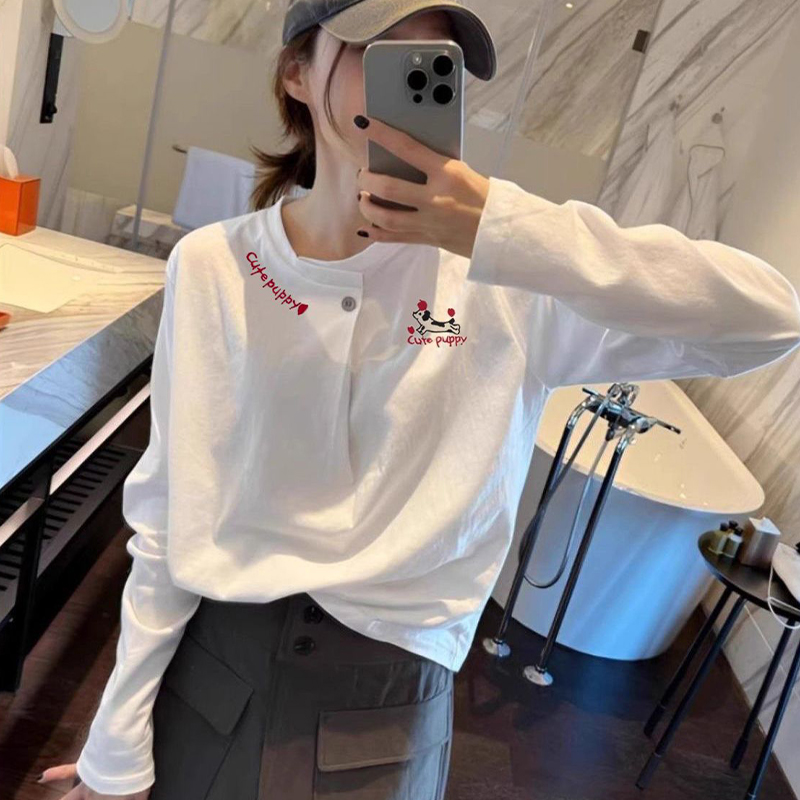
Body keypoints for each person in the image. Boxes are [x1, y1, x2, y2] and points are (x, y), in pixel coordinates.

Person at [39, 0, 800, 798]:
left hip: (387, 701)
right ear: (296, 73)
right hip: (212, 667)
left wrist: (505, 229)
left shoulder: (510, 280)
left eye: (436, 62)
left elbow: (770, 322)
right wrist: (115, 743)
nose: (405, 79)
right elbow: (168, 511)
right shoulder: (214, 266)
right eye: (375, 47)